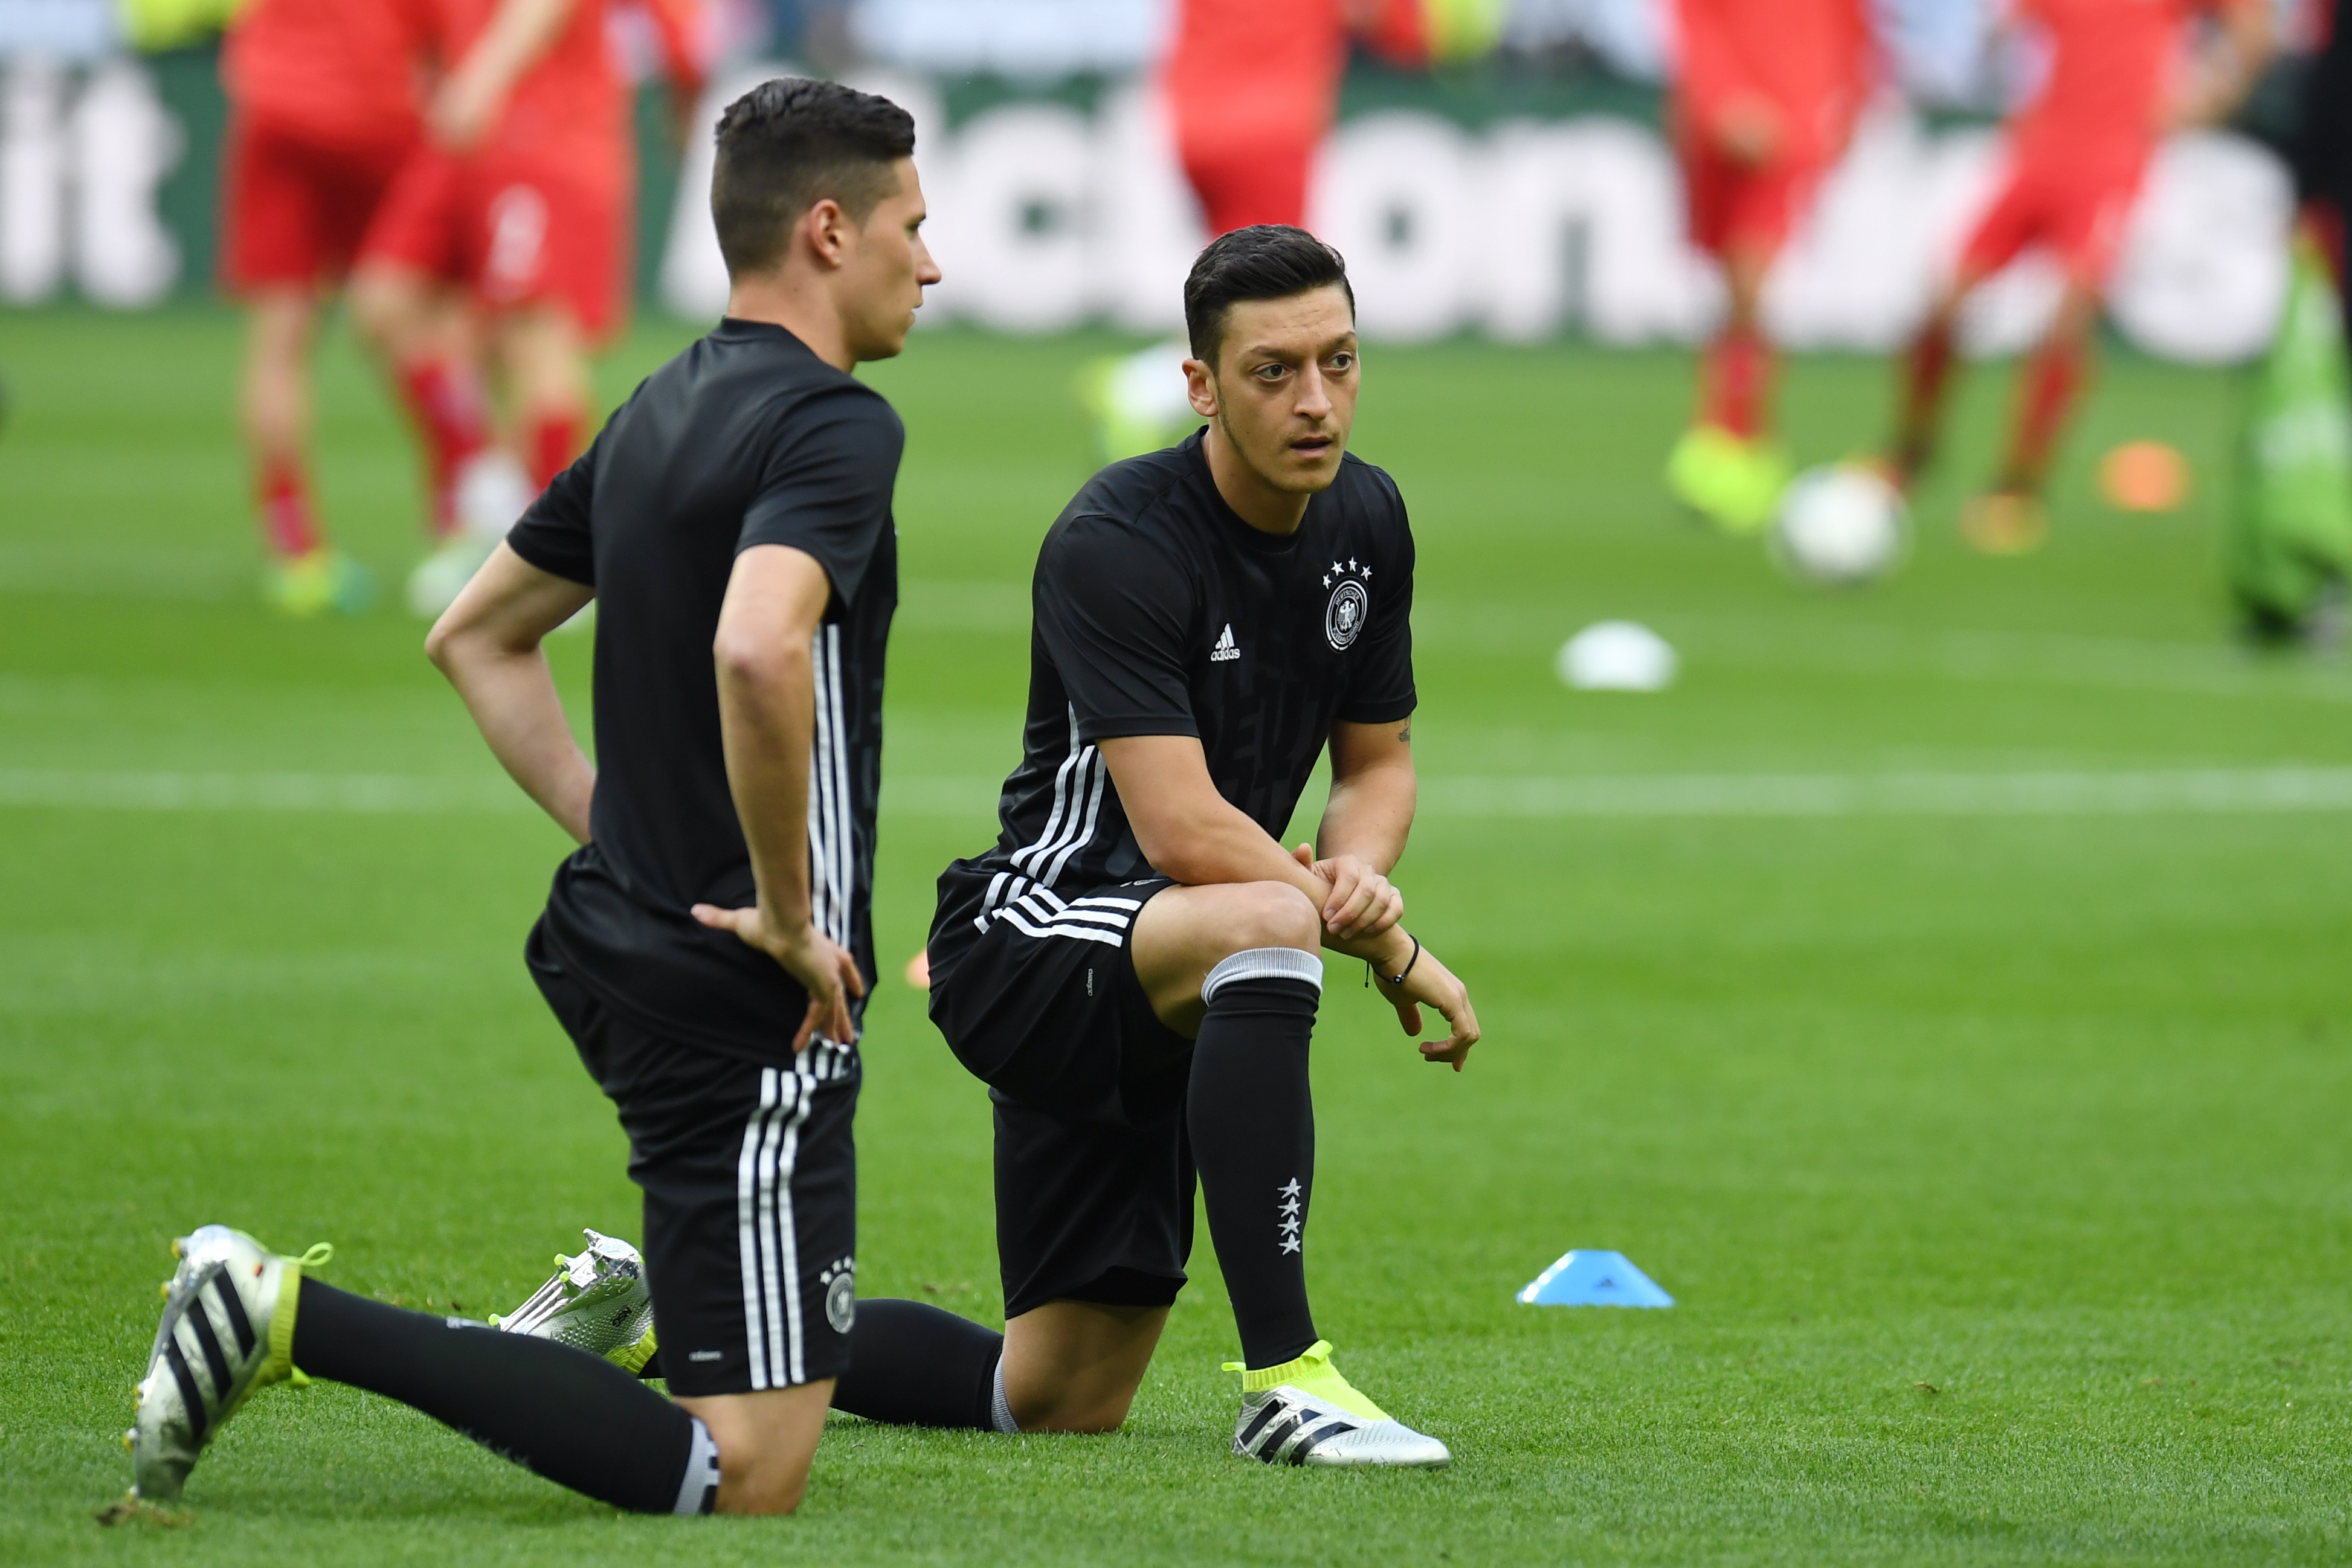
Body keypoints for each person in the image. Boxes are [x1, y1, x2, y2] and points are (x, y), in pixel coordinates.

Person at [123, 77, 938, 1517]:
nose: (929, 264)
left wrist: (619, 833)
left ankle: (624, 1302)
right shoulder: (836, 426)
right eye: (912, 228)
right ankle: (277, 1308)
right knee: (745, 1473)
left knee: (758, 1353)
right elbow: (758, 643)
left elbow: (477, 635)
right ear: (829, 230)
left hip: (616, 929)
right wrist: (792, 913)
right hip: (741, 987)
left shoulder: (661, 402)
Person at [892, 225, 1476, 1467]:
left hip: (1183, 955)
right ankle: (1287, 1381)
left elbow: (1374, 761)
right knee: (1268, 925)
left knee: (1050, 1395)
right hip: (1038, 931)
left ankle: (677, 1329)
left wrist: (1360, 870)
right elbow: (1181, 826)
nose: (1314, 401)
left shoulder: (1365, 515)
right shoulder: (1117, 538)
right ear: (1199, 386)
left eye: (1338, 360)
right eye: (1272, 371)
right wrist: (1380, 935)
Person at [352, 0, 703, 618]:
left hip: (541, 132)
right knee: (382, 302)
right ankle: (486, 493)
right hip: (471, 132)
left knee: (535, 340)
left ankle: (553, 560)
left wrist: (484, 75)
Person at [1887, 0, 2273, 553]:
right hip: (2036, 154)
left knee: (2064, 320)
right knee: (1943, 301)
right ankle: (1912, 448)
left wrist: (2211, 96)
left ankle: (2019, 483)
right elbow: (1997, 33)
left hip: (2112, 165)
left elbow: (2255, 26)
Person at [216, 0, 424, 615]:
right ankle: (464, 521)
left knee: (278, 342)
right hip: (383, 110)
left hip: (278, 107)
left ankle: (294, 552)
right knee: (427, 319)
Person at [1662, 0, 1874, 535]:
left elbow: (1853, 26)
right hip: (1717, 130)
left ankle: (1740, 445)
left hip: (1789, 122)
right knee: (1730, 294)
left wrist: (1849, 102)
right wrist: (1720, 99)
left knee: (1750, 285)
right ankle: (1729, 437)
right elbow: (1692, 20)